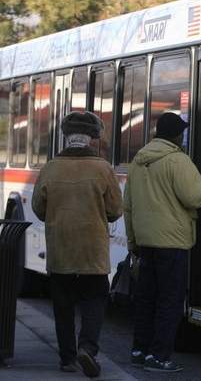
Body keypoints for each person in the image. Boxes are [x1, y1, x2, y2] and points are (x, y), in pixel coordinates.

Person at [124, 112, 201, 373]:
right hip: (172, 243)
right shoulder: (177, 160)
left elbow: (128, 206)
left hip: (146, 242)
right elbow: (197, 197)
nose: (183, 136)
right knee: (169, 301)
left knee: (146, 298)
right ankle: (159, 357)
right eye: (182, 132)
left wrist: (133, 241)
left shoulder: (139, 160)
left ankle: (139, 350)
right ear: (177, 135)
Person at [32, 111, 123, 378]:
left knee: (63, 306)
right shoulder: (103, 168)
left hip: (61, 251)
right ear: (92, 139)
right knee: (95, 299)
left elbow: (39, 208)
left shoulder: (50, 168)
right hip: (92, 252)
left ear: (66, 136)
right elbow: (115, 210)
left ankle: (67, 359)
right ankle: (88, 348)